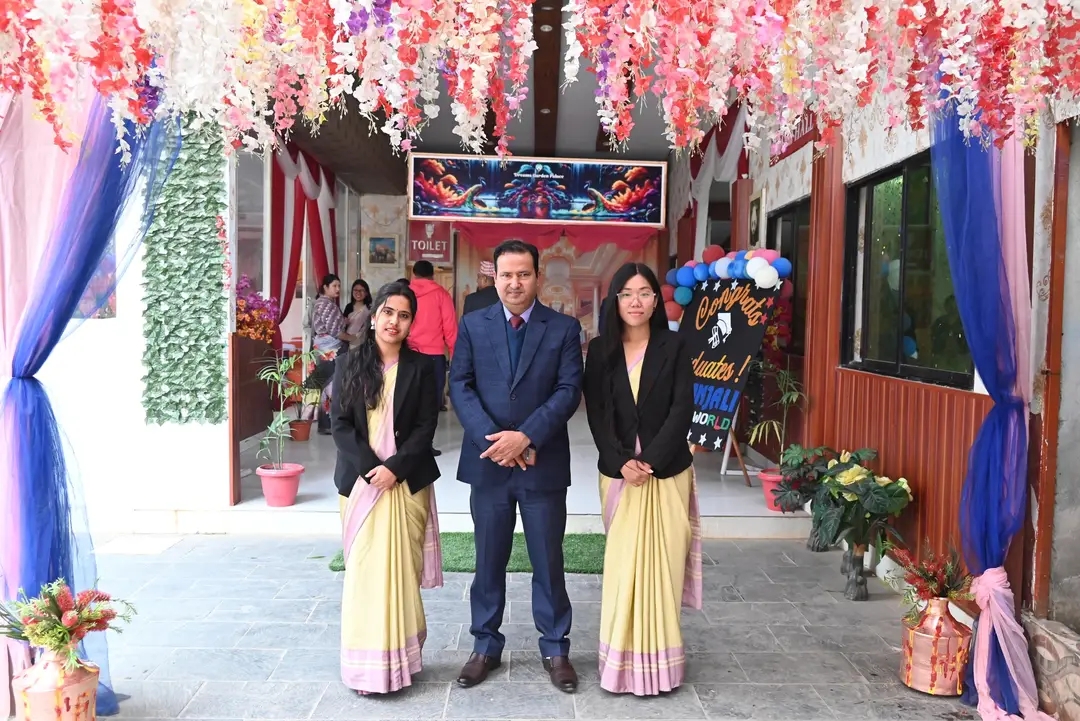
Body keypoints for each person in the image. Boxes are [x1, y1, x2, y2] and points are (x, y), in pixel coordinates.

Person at [449, 239, 584, 693]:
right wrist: (496, 440)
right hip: (489, 463)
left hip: (542, 464)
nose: (514, 283)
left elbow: (568, 389)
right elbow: (460, 384)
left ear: (538, 277)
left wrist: (526, 436)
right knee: (488, 559)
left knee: (548, 559)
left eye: (523, 274)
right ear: (494, 277)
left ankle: (556, 648)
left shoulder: (563, 328)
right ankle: (484, 645)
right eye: (506, 274)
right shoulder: (473, 324)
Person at [582, 262, 701, 696]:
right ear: (615, 300)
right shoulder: (600, 350)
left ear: (655, 301)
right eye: (627, 293)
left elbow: (681, 409)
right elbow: (597, 413)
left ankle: (661, 667)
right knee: (622, 570)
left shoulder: (676, 345)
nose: (636, 301)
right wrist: (621, 462)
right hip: (619, 477)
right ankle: (620, 666)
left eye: (645, 293)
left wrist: (647, 461)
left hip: (665, 474)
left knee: (662, 569)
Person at [331, 281, 443, 696]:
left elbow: (426, 427)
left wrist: (394, 469)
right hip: (361, 485)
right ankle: (366, 669)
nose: (395, 321)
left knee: (401, 575)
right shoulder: (348, 363)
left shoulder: (422, 368)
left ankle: (402, 662)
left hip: (406, 483)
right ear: (374, 315)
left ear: (412, 323)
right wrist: (371, 469)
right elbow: (340, 425)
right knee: (365, 574)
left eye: (404, 315)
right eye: (389, 312)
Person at [406, 261, 457, 455]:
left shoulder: (405, 294)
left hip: (408, 354)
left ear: (414, 274)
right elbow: (450, 329)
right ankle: (425, 444)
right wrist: (455, 356)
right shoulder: (441, 295)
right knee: (431, 403)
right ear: (432, 275)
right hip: (434, 356)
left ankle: (406, 443)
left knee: (407, 399)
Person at [312, 274, 358, 434]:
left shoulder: (324, 303)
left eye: (339, 286)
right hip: (330, 349)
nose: (338, 289)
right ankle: (329, 423)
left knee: (327, 385)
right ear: (325, 287)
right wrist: (354, 338)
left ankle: (326, 423)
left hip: (324, 348)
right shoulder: (326, 304)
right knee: (332, 386)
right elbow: (335, 332)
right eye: (334, 286)